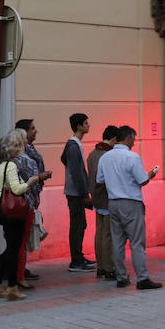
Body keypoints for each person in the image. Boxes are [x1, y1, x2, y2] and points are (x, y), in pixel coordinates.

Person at [95, 126, 162, 289]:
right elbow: (142, 180)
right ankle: (142, 278)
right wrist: (150, 175)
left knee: (117, 241)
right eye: (134, 139)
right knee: (137, 242)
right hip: (131, 202)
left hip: (113, 202)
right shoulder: (132, 157)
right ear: (129, 139)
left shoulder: (105, 157)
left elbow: (100, 179)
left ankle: (121, 277)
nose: (134, 143)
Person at [0, 129, 43, 300]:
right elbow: (16, 188)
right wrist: (30, 182)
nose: (18, 148)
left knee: (9, 248)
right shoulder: (12, 165)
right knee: (14, 249)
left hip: (4, 210)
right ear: (9, 148)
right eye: (15, 145)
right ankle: (12, 287)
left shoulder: (1, 165)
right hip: (15, 212)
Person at [15, 119, 51, 281]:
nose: (35, 131)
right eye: (32, 128)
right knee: (20, 237)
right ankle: (18, 272)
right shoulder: (23, 154)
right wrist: (40, 177)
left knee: (26, 235)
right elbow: (27, 176)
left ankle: (21, 268)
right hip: (25, 198)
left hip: (32, 196)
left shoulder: (29, 149)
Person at [61, 113, 96, 272]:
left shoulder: (73, 144)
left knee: (80, 225)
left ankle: (79, 256)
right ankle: (76, 261)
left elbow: (63, 159)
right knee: (77, 226)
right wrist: (84, 194)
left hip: (75, 192)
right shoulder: (74, 145)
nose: (89, 125)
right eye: (86, 123)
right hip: (75, 193)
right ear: (79, 126)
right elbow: (76, 172)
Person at [86, 126, 119, 279]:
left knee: (99, 234)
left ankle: (100, 267)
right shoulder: (107, 155)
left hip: (96, 197)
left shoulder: (93, 154)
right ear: (113, 139)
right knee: (107, 235)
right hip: (107, 197)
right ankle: (109, 268)